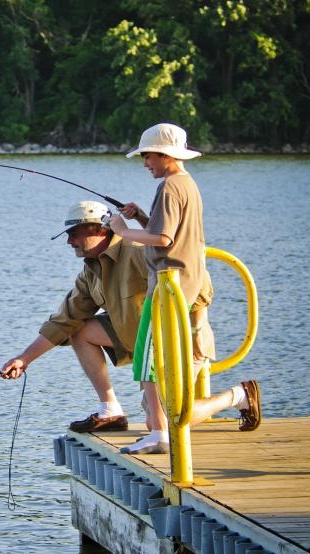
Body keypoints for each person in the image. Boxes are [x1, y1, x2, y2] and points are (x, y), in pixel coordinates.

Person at [109, 122, 261, 455]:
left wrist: (121, 230)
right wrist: (139, 218)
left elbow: (163, 240)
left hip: (168, 286)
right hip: (187, 283)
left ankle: (160, 433)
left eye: (147, 156)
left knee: (146, 360)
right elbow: (170, 233)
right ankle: (162, 426)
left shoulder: (168, 188)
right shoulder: (186, 184)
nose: (145, 162)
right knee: (155, 361)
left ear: (164, 155)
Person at [0, 200, 148, 432]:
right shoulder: (90, 271)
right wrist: (23, 359)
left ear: (99, 229)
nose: (69, 242)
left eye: (74, 234)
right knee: (78, 330)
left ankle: (228, 397)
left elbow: (190, 281)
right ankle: (111, 410)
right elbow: (64, 321)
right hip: (138, 342)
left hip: (170, 345)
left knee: (164, 419)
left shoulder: (137, 250)